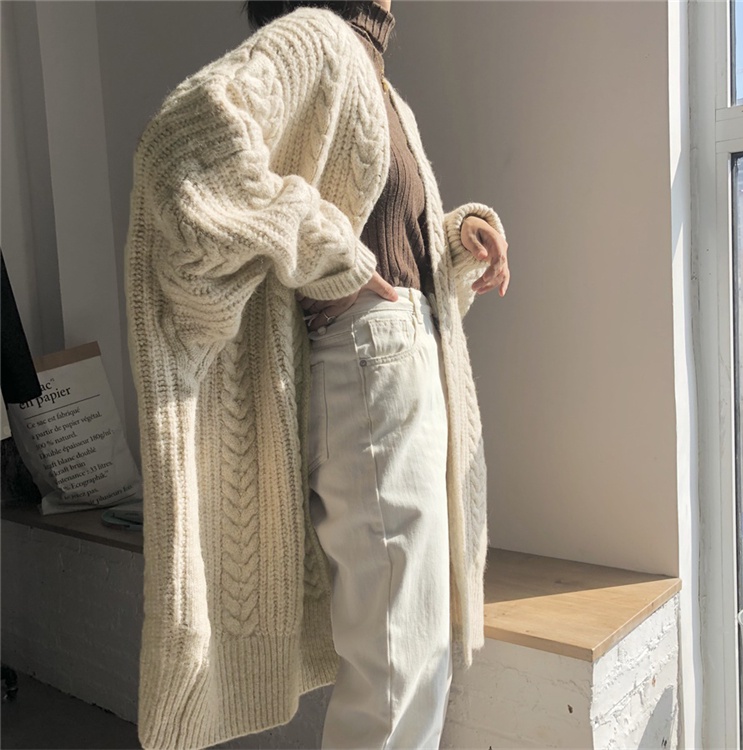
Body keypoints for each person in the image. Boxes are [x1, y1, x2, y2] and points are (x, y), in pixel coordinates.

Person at [123, 1, 509, 748]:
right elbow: (178, 151)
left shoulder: (378, 79)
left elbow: (382, 244)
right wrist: (327, 250)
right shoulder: (321, 37)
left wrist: (453, 239)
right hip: (371, 370)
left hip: (400, 365)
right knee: (397, 674)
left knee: (411, 662)